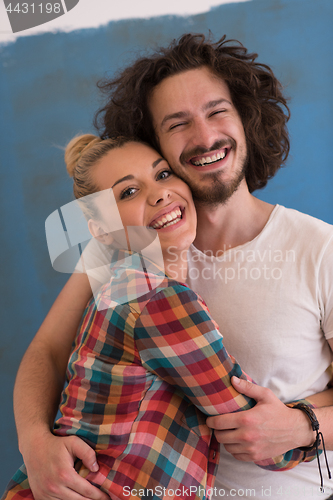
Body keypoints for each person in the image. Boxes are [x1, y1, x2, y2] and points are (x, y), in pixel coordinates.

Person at [11, 34, 333, 500]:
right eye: (177, 124)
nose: (204, 137)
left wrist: (304, 424)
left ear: (246, 117)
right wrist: (34, 443)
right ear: (153, 142)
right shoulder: (125, 249)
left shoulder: (320, 249)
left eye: (217, 111)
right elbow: (46, 351)